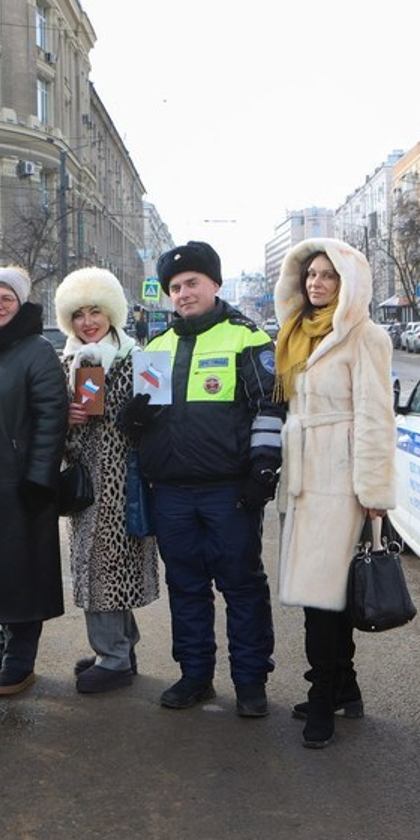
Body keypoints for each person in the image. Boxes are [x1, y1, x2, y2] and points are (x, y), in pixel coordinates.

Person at [121, 240, 284, 716]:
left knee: (241, 585)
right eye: (175, 287)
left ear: (214, 283)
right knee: (186, 587)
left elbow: (269, 408)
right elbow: (145, 417)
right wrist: (133, 421)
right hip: (171, 490)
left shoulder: (246, 338)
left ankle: (251, 681)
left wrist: (262, 469)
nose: (183, 294)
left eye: (192, 283)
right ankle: (195, 675)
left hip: (228, 489)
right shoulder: (157, 347)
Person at [274, 240, 397, 750]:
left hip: (340, 479)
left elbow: (375, 417)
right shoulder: (294, 334)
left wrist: (372, 490)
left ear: (348, 284)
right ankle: (345, 688)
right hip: (302, 477)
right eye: (310, 276)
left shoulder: (366, 335)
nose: (317, 284)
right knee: (323, 595)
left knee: (322, 599)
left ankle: (323, 696)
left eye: (328, 276)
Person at [55, 267, 159, 694]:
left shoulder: (141, 357)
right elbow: (51, 429)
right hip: (84, 484)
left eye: (95, 311)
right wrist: (67, 420)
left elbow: (161, 418)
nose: (87, 322)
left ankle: (113, 657)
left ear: (112, 312)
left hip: (127, 482)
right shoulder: (67, 361)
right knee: (96, 566)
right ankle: (120, 648)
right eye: (78, 314)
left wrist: (140, 417)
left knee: (110, 569)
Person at [0, 266, 68, 698]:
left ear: (21, 303)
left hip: (23, 482)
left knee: (25, 569)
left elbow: (51, 418)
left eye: (7, 298)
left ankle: (21, 659)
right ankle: (6, 647)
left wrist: (38, 478)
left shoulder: (37, 350)